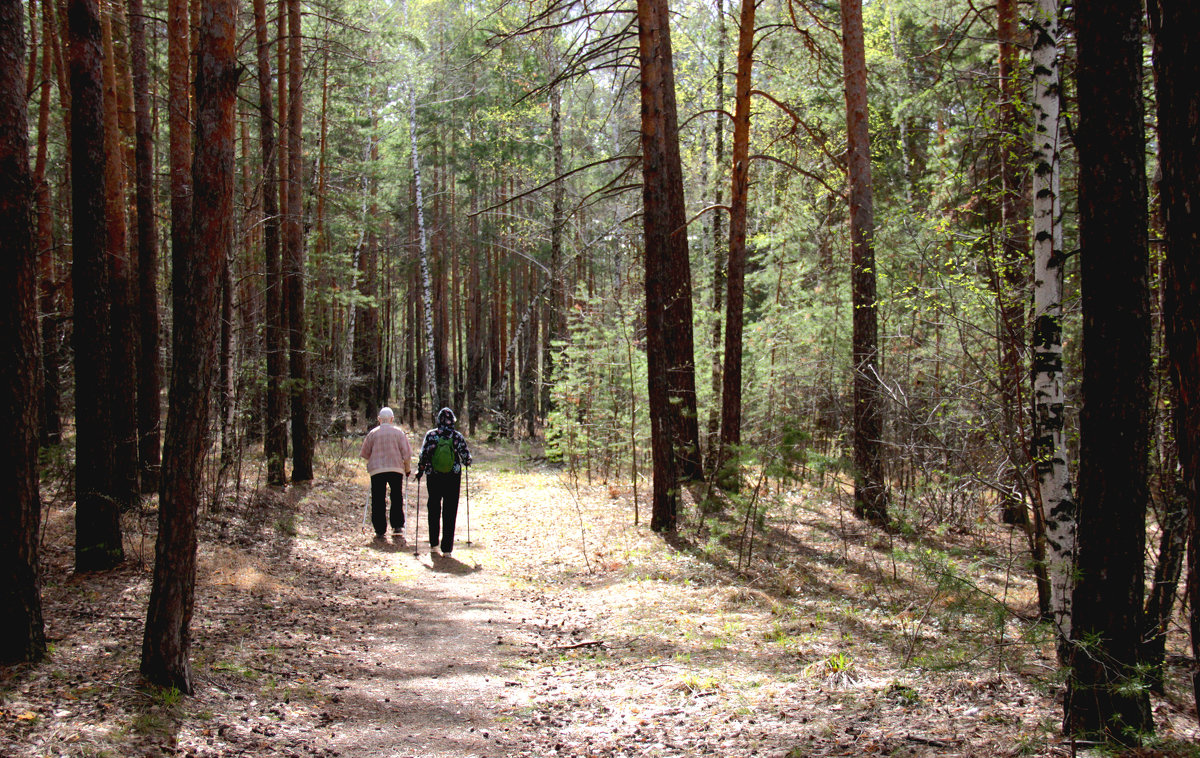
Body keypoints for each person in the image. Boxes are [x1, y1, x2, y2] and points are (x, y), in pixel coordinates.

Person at [416, 407, 472, 556]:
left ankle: (434, 543)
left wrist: (420, 470)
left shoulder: (431, 435)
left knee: (433, 507)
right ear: (453, 421)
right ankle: (447, 548)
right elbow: (466, 458)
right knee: (450, 510)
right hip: (452, 477)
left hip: (433, 476)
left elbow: (423, 456)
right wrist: (466, 461)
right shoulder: (457, 436)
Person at [359, 407, 412, 540]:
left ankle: (380, 529)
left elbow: (365, 454)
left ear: (379, 419)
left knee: (378, 498)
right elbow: (406, 454)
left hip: (377, 470)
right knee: (396, 496)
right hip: (396, 469)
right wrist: (407, 469)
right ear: (392, 419)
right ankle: (397, 526)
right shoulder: (399, 433)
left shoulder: (373, 433)